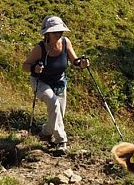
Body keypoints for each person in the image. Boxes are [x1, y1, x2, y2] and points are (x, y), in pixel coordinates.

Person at [22, 15, 89, 153]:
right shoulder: (40, 48)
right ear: (47, 33)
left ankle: (46, 131)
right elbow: (25, 66)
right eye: (55, 32)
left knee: (58, 114)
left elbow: (74, 60)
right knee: (54, 104)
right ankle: (61, 141)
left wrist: (81, 64)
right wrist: (34, 68)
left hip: (59, 82)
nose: (58, 34)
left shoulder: (65, 42)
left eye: (60, 31)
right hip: (40, 81)